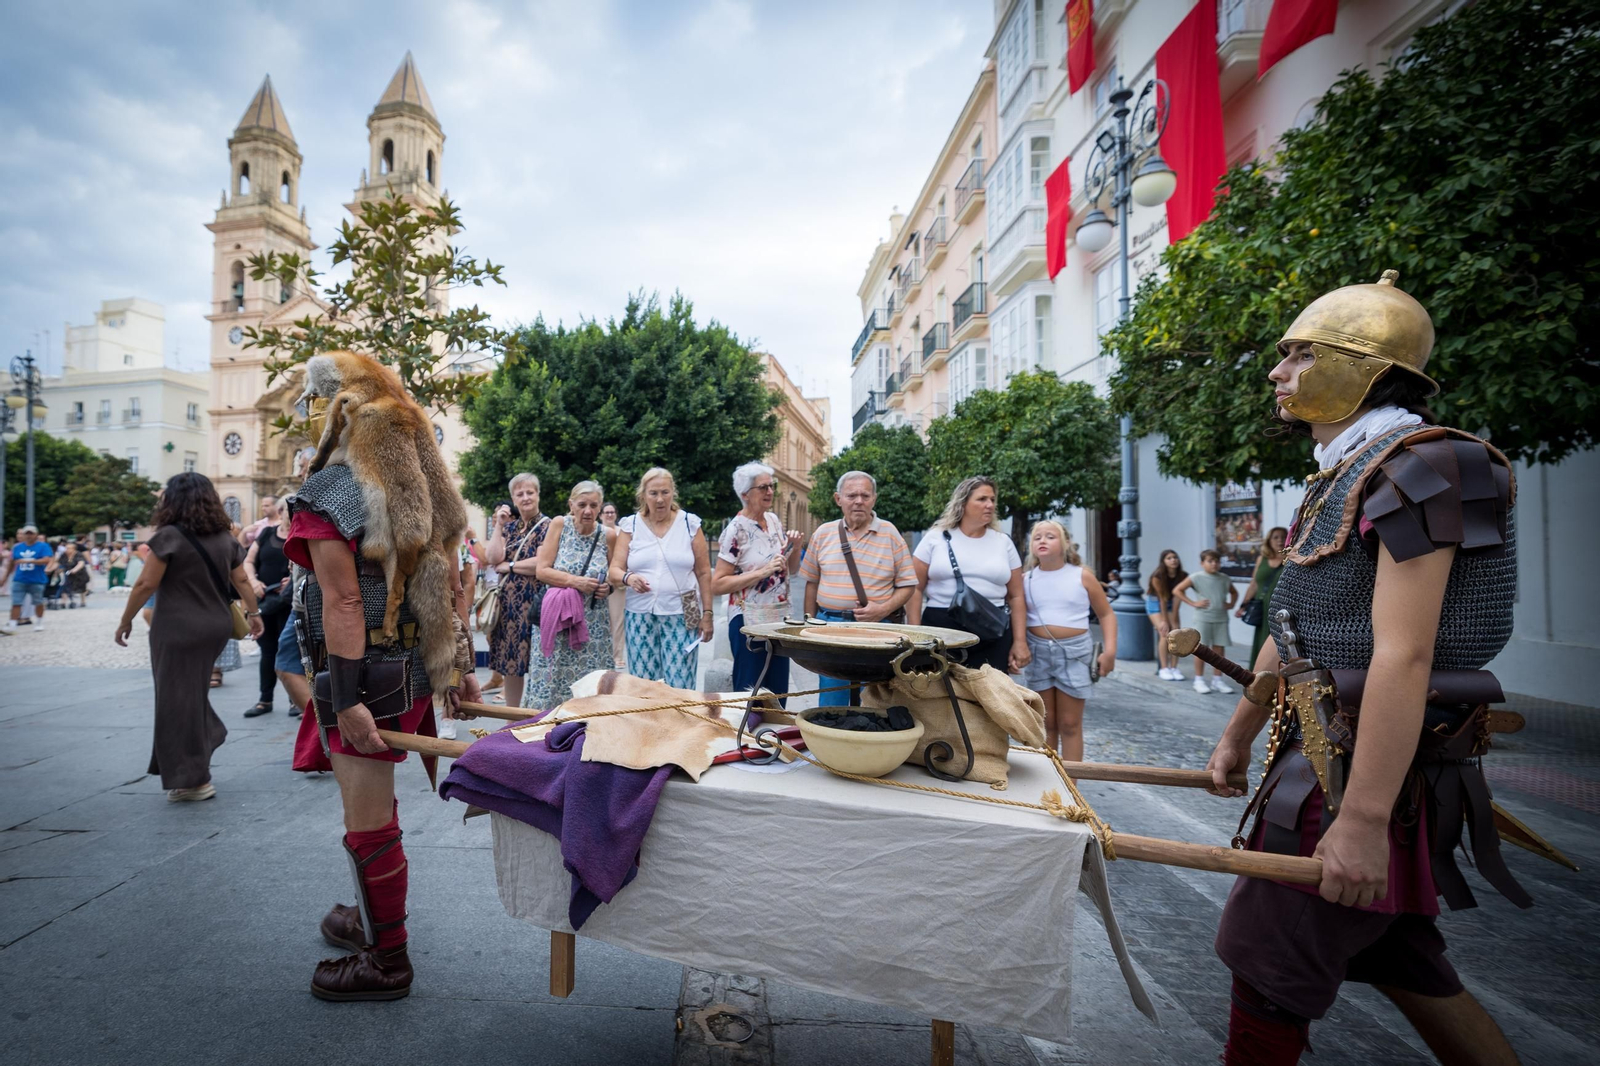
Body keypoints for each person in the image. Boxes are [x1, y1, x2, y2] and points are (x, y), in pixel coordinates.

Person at [1205, 271, 1527, 1064]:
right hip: (1320, 755)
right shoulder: (1345, 472)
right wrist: (1239, 732)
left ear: (1366, 367)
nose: (1278, 373)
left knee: (1267, 960)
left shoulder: (1432, 464)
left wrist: (1361, 820)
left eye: (1301, 355)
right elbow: (1300, 628)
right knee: (1405, 965)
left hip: (1363, 771)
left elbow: (1404, 653)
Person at [283, 357, 481, 1002]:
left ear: (333, 411)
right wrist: (457, 670)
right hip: (407, 670)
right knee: (376, 810)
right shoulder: (416, 485)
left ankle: (387, 958)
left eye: (310, 406)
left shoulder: (328, 495)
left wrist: (342, 701)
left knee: (368, 820)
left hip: (362, 677)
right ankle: (371, 917)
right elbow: (450, 583)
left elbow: (343, 604)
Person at [114, 473, 265, 802]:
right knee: (187, 694)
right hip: (215, 626)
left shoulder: (168, 536)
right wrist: (254, 616)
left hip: (178, 628)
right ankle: (205, 737)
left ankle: (195, 779)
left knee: (175, 699)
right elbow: (241, 581)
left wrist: (125, 620)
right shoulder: (224, 538)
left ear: (174, 499)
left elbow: (144, 584)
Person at [798, 471, 918, 706]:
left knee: (875, 701)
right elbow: (811, 584)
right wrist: (808, 627)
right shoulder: (823, 534)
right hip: (829, 629)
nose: (859, 501)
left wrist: (882, 610)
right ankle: (832, 740)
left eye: (865, 495)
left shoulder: (891, 534)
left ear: (874, 499)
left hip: (877, 631)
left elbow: (908, 585)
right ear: (838, 499)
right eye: (852, 495)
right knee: (833, 699)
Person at [1015, 520, 1116, 762]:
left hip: (1074, 654)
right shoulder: (1024, 579)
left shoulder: (1083, 576)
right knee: (1045, 723)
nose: (1042, 540)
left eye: (1050, 536)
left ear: (1066, 543)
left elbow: (1106, 614)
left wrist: (1110, 651)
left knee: (1070, 724)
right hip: (1037, 653)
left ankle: (1071, 787)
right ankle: (1047, 784)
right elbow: (1017, 615)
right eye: (1037, 537)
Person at [607, 467, 714, 689]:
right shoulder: (631, 525)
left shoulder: (689, 524)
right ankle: (648, 724)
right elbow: (614, 570)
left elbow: (704, 573)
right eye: (653, 493)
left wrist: (708, 614)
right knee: (644, 684)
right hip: (639, 613)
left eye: (665, 492)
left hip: (686, 610)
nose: (659, 499)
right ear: (643, 495)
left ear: (673, 493)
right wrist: (629, 577)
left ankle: (681, 723)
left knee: (681, 682)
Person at [911, 476, 1029, 675]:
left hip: (992, 629)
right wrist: (915, 635)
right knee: (940, 696)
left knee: (990, 696)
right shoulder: (935, 538)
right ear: (963, 503)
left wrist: (1020, 641)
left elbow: (1016, 596)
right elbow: (915, 588)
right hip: (941, 628)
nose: (989, 505)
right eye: (982, 499)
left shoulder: (1003, 542)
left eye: (992, 500)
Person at [713, 462, 804, 707]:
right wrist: (761, 572)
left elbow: (791, 570)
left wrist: (795, 548)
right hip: (748, 621)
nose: (770, 492)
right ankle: (747, 742)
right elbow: (718, 583)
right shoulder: (736, 530)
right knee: (750, 697)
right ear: (745, 494)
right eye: (763, 487)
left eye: (772, 486)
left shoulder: (773, 520)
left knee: (777, 697)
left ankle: (773, 743)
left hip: (777, 618)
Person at [525, 481, 615, 709]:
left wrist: (609, 588)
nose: (588, 511)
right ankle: (542, 728)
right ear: (571, 505)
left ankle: (586, 731)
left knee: (590, 681)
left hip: (593, 624)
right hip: (556, 620)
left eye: (594, 505)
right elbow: (542, 570)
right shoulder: (559, 525)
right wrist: (577, 582)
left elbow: (613, 574)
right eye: (582, 504)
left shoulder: (608, 535)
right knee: (551, 679)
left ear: (600, 506)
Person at [483, 474, 551, 709]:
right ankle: (512, 716)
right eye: (519, 494)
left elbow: (542, 564)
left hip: (537, 604)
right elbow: (491, 557)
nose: (525, 498)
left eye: (530, 492)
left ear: (538, 494)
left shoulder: (548, 526)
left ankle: (538, 712)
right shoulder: (510, 527)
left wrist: (510, 566)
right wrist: (498, 525)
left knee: (540, 662)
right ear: (513, 498)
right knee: (512, 665)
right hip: (509, 606)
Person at [242, 499, 294, 717]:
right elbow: (248, 561)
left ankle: (295, 700)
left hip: (288, 603)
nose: (290, 514)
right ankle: (265, 700)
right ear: (280, 512)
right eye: (287, 510)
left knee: (291, 652)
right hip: (265, 601)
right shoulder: (266, 534)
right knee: (267, 651)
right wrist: (253, 581)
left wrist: (292, 579)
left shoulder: (299, 536)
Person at [1173, 549, 1238, 695]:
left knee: (1219, 650)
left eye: (1217, 561)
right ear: (1202, 563)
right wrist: (1193, 603)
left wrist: (1231, 604)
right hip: (1203, 618)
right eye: (1210, 561)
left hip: (1221, 617)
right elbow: (1177, 590)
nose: (1214, 564)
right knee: (1200, 649)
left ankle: (1217, 679)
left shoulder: (1224, 578)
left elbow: (1234, 592)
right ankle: (1199, 680)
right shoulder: (1196, 577)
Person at [1236, 526, 1288, 663]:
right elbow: (1254, 583)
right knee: (1261, 641)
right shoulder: (1262, 559)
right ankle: (1259, 676)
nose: (1280, 540)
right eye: (1275, 537)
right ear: (1269, 540)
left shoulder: (1291, 558)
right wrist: (1243, 605)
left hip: (1281, 608)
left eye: (1283, 537)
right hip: (1262, 607)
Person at [1146, 550, 1187, 681]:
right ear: (1163, 561)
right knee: (1164, 633)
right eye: (1169, 558)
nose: (1173, 560)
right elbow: (1162, 598)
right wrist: (1164, 620)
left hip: (1172, 603)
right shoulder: (1157, 576)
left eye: (1175, 557)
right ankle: (1164, 668)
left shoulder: (1183, 575)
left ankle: (1174, 668)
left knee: (1176, 633)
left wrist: (1174, 618)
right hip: (1155, 602)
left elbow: (1178, 598)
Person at [7, 525, 52, 631]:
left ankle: (39, 621)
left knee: (38, 602)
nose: (28, 536)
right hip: (20, 578)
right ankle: (12, 624)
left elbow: (46, 560)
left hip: (37, 579)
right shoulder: (17, 547)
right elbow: (11, 562)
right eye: (26, 533)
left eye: (31, 533)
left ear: (36, 535)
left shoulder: (43, 546)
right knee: (16, 602)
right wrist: (5, 577)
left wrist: (29, 561)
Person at [600, 501, 627, 670]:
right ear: (601, 514)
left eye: (612, 512)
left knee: (617, 620)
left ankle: (617, 655)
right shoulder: (597, 531)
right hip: (599, 580)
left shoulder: (621, 533)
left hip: (616, 582)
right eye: (606, 512)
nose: (609, 515)